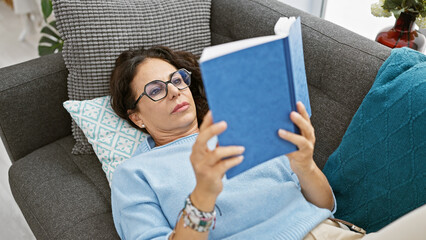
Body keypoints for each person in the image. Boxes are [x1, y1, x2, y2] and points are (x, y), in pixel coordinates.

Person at [109, 46, 426, 240]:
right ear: (136, 117)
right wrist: (203, 193)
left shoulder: (244, 126)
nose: (175, 91)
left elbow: (326, 205)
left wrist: (305, 164)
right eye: (155, 90)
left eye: (177, 80)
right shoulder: (134, 174)